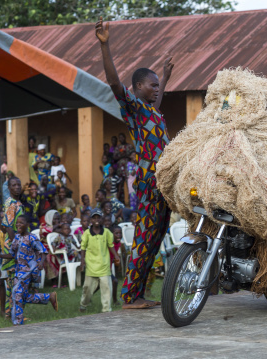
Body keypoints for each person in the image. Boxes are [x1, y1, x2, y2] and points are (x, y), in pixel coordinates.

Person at [96, 17, 172, 308]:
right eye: (152, 85)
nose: (156, 89)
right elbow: (114, 82)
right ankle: (129, 296)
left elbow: (157, 98)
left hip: (161, 181)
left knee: (157, 236)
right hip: (148, 180)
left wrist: (164, 77)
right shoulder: (135, 109)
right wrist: (106, 46)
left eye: (157, 86)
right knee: (144, 236)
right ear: (138, 87)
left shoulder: (152, 112)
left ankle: (139, 293)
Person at [0, 215, 58, 324]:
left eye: (21, 223)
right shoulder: (16, 238)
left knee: (16, 292)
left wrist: (40, 262)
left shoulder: (32, 238)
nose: (18, 225)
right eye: (17, 223)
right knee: (23, 296)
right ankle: (49, 297)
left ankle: (18, 322)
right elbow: (12, 255)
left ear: (27, 225)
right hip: (19, 270)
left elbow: (43, 251)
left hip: (29, 270)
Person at [80, 208, 120, 313]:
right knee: (87, 288)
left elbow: (110, 245)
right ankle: (83, 304)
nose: (96, 220)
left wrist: (116, 256)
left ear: (102, 219)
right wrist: (82, 262)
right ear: (91, 220)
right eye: (94, 218)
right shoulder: (87, 233)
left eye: (98, 217)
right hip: (91, 265)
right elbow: (83, 248)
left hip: (104, 264)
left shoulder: (106, 232)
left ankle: (106, 309)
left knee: (106, 288)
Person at [0, 177, 25, 318]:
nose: (17, 187)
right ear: (9, 188)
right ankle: (12, 312)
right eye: (14, 185)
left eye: (18, 184)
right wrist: (17, 245)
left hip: (15, 244)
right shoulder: (11, 204)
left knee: (13, 280)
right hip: (13, 246)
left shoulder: (17, 203)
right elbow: (8, 227)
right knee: (13, 280)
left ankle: (10, 312)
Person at [110, 226, 122, 306]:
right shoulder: (110, 243)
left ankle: (87, 298)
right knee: (115, 281)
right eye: (116, 233)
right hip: (103, 266)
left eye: (120, 233)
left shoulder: (118, 243)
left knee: (99, 284)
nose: (119, 235)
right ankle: (115, 301)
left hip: (109, 266)